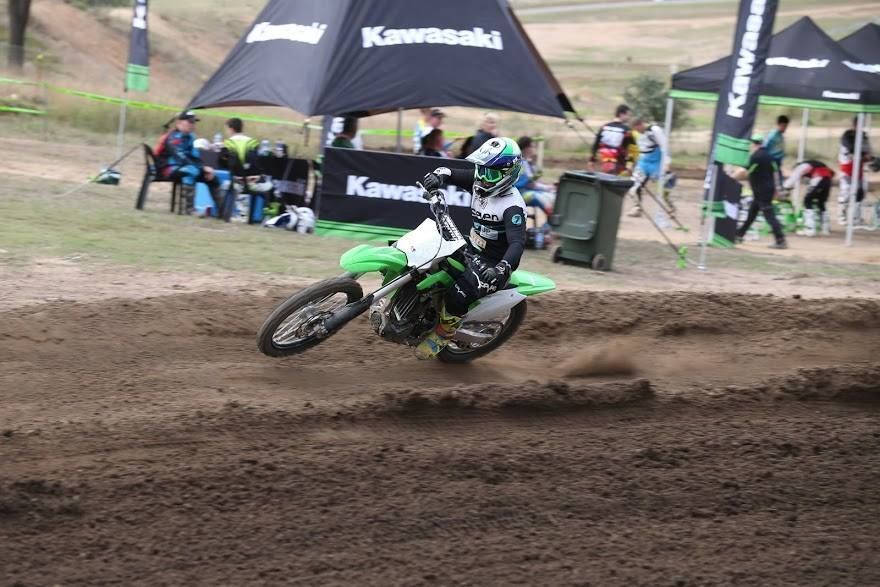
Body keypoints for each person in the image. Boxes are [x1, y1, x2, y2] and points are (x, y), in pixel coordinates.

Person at [415, 137, 526, 360]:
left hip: (493, 263)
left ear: (508, 174)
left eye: (491, 174)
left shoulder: (512, 206)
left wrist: (502, 268)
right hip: (470, 246)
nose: (484, 178)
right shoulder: (478, 182)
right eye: (481, 170)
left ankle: (444, 332)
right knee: (425, 254)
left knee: (458, 295)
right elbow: (450, 171)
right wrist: (437, 177)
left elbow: (517, 243)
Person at [158, 110, 222, 214]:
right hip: (168, 168)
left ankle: (222, 213)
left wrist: (204, 168)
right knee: (191, 171)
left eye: (194, 122)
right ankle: (188, 210)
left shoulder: (191, 137)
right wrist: (201, 168)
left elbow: (195, 157)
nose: (192, 125)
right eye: (190, 122)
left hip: (186, 167)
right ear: (179, 122)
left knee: (213, 177)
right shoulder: (173, 137)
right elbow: (180, 158)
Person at [733, 134, 787, 249]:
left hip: (761, 191)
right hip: (766, 190)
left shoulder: (756, 157)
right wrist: (778, 189)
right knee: (751, 214)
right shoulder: (769, 156)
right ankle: (739, 235)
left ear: (753, 144)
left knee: (769, 215)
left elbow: (744, 171)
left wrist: (731, 178)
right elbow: (776, 173)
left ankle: (780, 240)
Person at [625, 117, 669, 217]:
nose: (637, 131)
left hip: (656, 163)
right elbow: (632, 149)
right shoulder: (635, 134)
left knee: (663, 187)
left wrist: (666, 163)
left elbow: (664, 145)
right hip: (643, 162)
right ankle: (637, 208)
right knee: (633, 186)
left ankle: (669, 207)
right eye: (634, 129)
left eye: (637, 128)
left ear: (641, 124)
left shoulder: (654, 130)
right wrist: (630, 164)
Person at [837, 116, 874, 225]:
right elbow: (850, 148)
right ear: (854, 124)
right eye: (858, 124)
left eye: (862, 124)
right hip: (847, 167)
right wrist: (864, 155)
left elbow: (868, 152)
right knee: (846, 191)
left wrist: (871, 158)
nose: (860, 127)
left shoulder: (864, 136)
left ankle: (856, 217)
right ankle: (841, 216)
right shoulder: (847, 135)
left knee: (860, 191)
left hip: (858, 168)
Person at [782, 160, 834, 237]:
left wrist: (785, 188)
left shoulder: (801, 166)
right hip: (828, 180)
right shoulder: (816, 164)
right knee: (821, 203)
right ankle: (825, 229)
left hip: (818, 179)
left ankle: (810, 229)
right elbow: (832, 173)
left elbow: (793, 178)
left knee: (807, 201)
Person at [515, 136, 554, 222]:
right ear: (527, 148)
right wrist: (547, 188)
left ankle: (550, 223)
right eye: (533, 146)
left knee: (553, 196)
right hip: (519, 194)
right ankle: (550, 223)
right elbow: (531, 183)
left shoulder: (528, 162)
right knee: (543, 198)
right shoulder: (520, 163)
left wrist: (549, 187)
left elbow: (534, 182)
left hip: (528, 190)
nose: (534, 148)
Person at [589, 104, 635, 175]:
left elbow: (596, 144)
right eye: (628, 115)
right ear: (621, 114)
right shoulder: (626, 130)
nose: (629, 118)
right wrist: (630, 164)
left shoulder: (604, 127)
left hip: (606, 163)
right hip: (620, 164)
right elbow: (632, 148)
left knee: (607, 181)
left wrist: (591, 160)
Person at [763, 115, 789, 188]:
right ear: (779, 125)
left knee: (778, 179)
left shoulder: (781, 136)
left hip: (778, 161)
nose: (785, 128)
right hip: (772, 160)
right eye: (784, 126)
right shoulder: (773, 135)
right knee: (776, 180)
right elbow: (764, 146)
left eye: (786, 126)